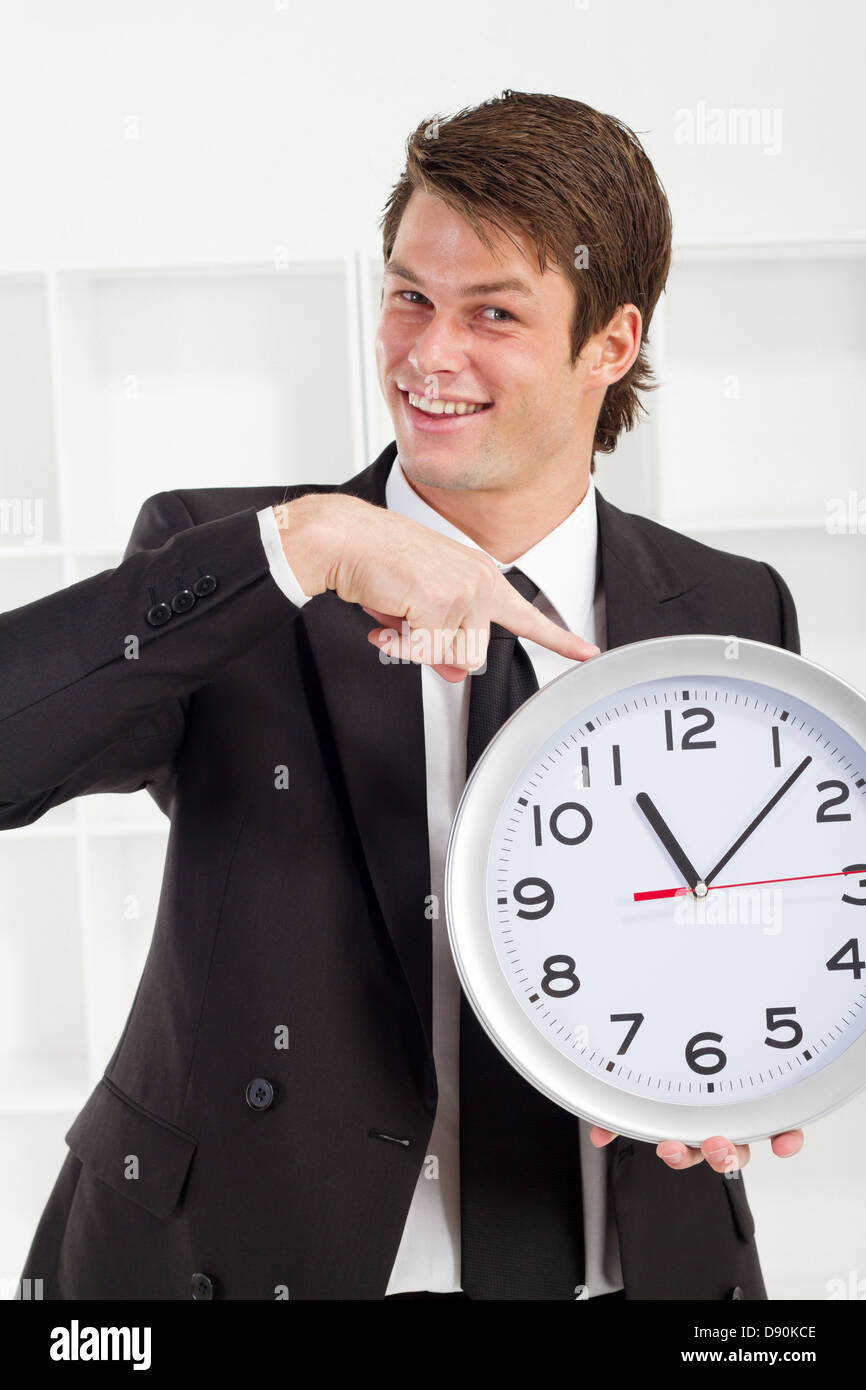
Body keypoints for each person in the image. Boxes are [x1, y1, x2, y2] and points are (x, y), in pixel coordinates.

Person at [7, 90, 802, 1302]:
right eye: (409, 297)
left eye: (493, 312)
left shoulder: (729, 603)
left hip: (641, 1269)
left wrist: (743, 1066)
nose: (429, 355)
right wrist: (301, 546)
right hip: (241, 1266)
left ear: (611, 343)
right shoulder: (237, 566)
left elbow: (742, 906)